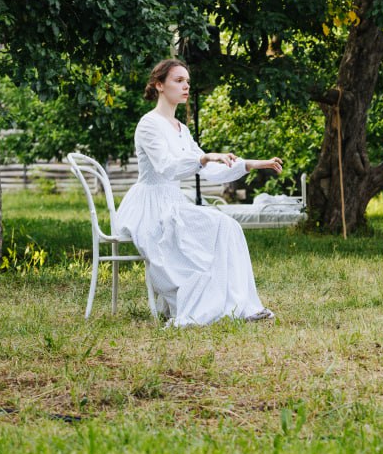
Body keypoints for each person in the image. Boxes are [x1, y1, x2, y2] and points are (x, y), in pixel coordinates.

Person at [114, 59, 283, 326]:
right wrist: (204, 159)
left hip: (174, 202)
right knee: (216, 228)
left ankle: (243, 305)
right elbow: (167, 167)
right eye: (178, 81)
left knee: (228, 227)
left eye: (188, 82)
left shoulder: (182, 129)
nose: (186, 87)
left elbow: (207, 170)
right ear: (159, 85)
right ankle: (212, 304)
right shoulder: (149, 124)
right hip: (151, 206)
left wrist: (251, 164)